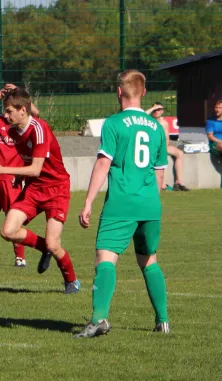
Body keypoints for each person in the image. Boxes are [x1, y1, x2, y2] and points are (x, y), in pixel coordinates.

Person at [74, 69, 170, 338]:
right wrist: (151, 203)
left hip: (121, 203)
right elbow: (160, 172)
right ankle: (163, 320)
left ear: (119, 92)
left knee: (105, 258)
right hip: (150, 204)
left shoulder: (113, 123)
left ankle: (99, 319)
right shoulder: (157, 128)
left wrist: (88, 202)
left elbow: (104, 163)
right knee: (149, 260)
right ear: (144, 93)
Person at [0, 88, 80, 294]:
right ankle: (45, 248)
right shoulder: (11, 130)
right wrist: (19, 176)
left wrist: (3, 170)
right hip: (34, 188)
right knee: (7, 231)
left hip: (56, 189)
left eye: (9, 111)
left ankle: (71, 281)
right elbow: (31, 167)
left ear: (23, 110)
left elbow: (36, 168)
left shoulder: (39, 129)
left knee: (55, 244)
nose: (5, 115)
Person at [0, 83, 40, 268]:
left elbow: (36, 113)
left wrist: (20, 91)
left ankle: (20, 257)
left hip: (13, 178)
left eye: (9, 110)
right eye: (5, 110)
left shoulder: (24, 126)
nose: (6, 115)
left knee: (14, 218)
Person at [145, 102, 189, 191]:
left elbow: (166, 138)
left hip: (161, 147)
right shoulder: (147, 120)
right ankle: (162, 184)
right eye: (156, 109)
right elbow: (141, 115)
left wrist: (163, 148)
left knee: (179, 153)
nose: (158, 111)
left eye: (160, 109)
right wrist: (152, 108)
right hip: (149, 147)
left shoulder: (163, 123)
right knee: (159, 159)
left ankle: (179, 181)